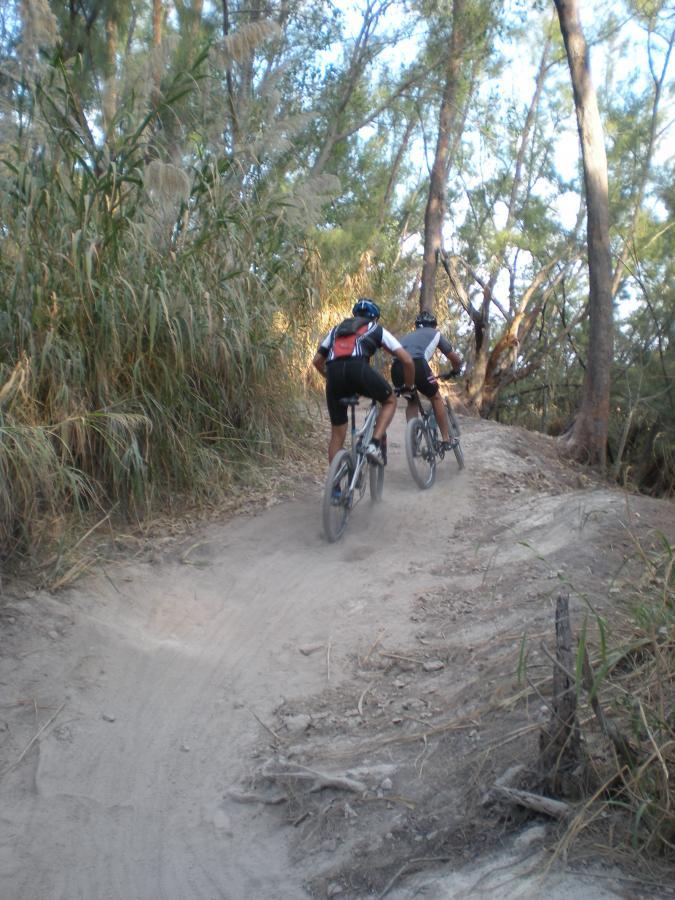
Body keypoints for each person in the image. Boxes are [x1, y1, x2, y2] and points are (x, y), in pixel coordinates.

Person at [313, 298, 415, 465]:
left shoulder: (336, 330)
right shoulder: (375, 328)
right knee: (390, 400)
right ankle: (374, 444)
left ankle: (336, 489)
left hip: (333, 372)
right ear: (375, 317)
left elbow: (317, 361)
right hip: (358, 368)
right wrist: (408, 387)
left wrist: (329, 378)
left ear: (355, 315)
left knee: (337, 435)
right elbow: (408, 361)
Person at [391, 310, 462, 450]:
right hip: (417, 365)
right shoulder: (435, 334)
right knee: (435, 397)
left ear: (417, 326)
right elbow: (454, 358)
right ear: (434, 325)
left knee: (411, 400)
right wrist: (456, 370)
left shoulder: (408, 336)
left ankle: (413, 440)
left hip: (396, 368)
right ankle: (446, 440)